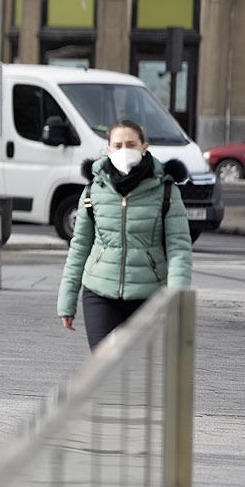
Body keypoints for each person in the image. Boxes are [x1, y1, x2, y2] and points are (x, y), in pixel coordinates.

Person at [58, 120, 192, 350]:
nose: (124, 151)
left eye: (131, 144)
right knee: (102, 365)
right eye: (117, 145)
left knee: (135, 368)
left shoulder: (165, 190)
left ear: (144, 146)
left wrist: (176, 299)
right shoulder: (93, 189)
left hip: (147, 293)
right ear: (108, 149)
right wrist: (66, 302)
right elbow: (79, 247)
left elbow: (179, 249)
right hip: (99, 291)